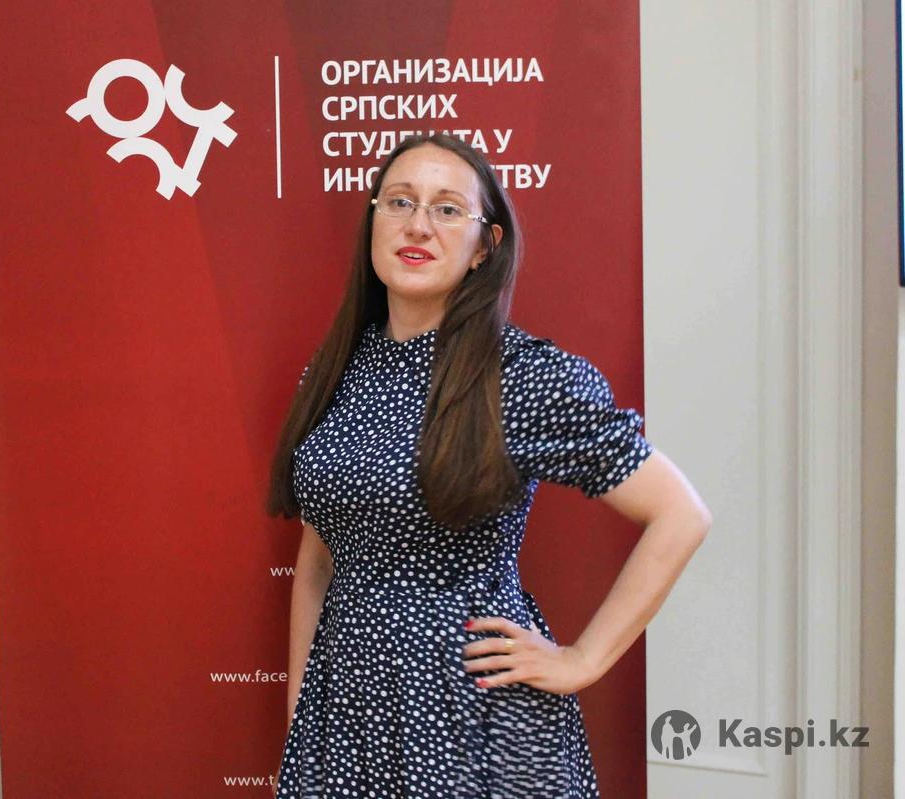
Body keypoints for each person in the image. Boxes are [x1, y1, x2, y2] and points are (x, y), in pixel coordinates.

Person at [265, 133, 711, 798]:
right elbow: (320, 560)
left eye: (448, 209)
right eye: (400, 202)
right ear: (373, 222)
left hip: (475, 715)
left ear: (485, 246)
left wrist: (582, 660)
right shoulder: (334, 373)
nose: (419, 224)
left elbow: (680, 514)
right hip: (346, 718)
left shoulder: (522, 376)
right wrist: (304, 720)